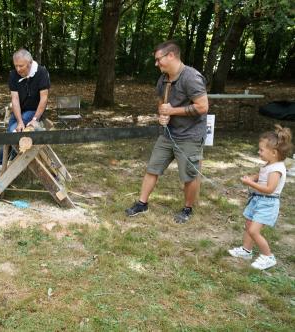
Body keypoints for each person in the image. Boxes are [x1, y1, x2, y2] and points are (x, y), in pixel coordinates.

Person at [125, 41, 209, 223]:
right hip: (168, 134)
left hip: (190, 136)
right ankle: (142, 203)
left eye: (158, 59)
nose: (156, 64)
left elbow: (203, 107)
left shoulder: (192, 77)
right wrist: (162, 114)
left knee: (189, 175)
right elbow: (161, 103)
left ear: (171, 56)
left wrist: (172, 112)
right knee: (152, 168)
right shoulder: (163, 78)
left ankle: (188, 208)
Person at [228, 125, 292, 270]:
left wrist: (250, 183)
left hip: (267, 203)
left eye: (261, 150)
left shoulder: (277, 170)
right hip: (257, 200)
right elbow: (260, 175)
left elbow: (269, 189)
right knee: (249, 226)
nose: (259, 152)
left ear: (274, 152)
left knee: (254, 231)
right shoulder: (269, 164)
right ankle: (246, 250)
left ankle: (268, 256)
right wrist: (251, 178)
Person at [0, 49, 50, 182]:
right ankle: (1, 166)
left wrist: (35, 119)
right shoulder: (13, 75)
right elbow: (15, 99)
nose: (18, 69)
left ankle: (3, 166)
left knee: (13, 133)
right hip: (20, 111)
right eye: (15, 65)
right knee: (10, 132)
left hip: (35, 110)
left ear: (29, 63)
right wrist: (19, 121)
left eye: (21, 66)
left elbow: (44, 99)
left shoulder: (41, 73)